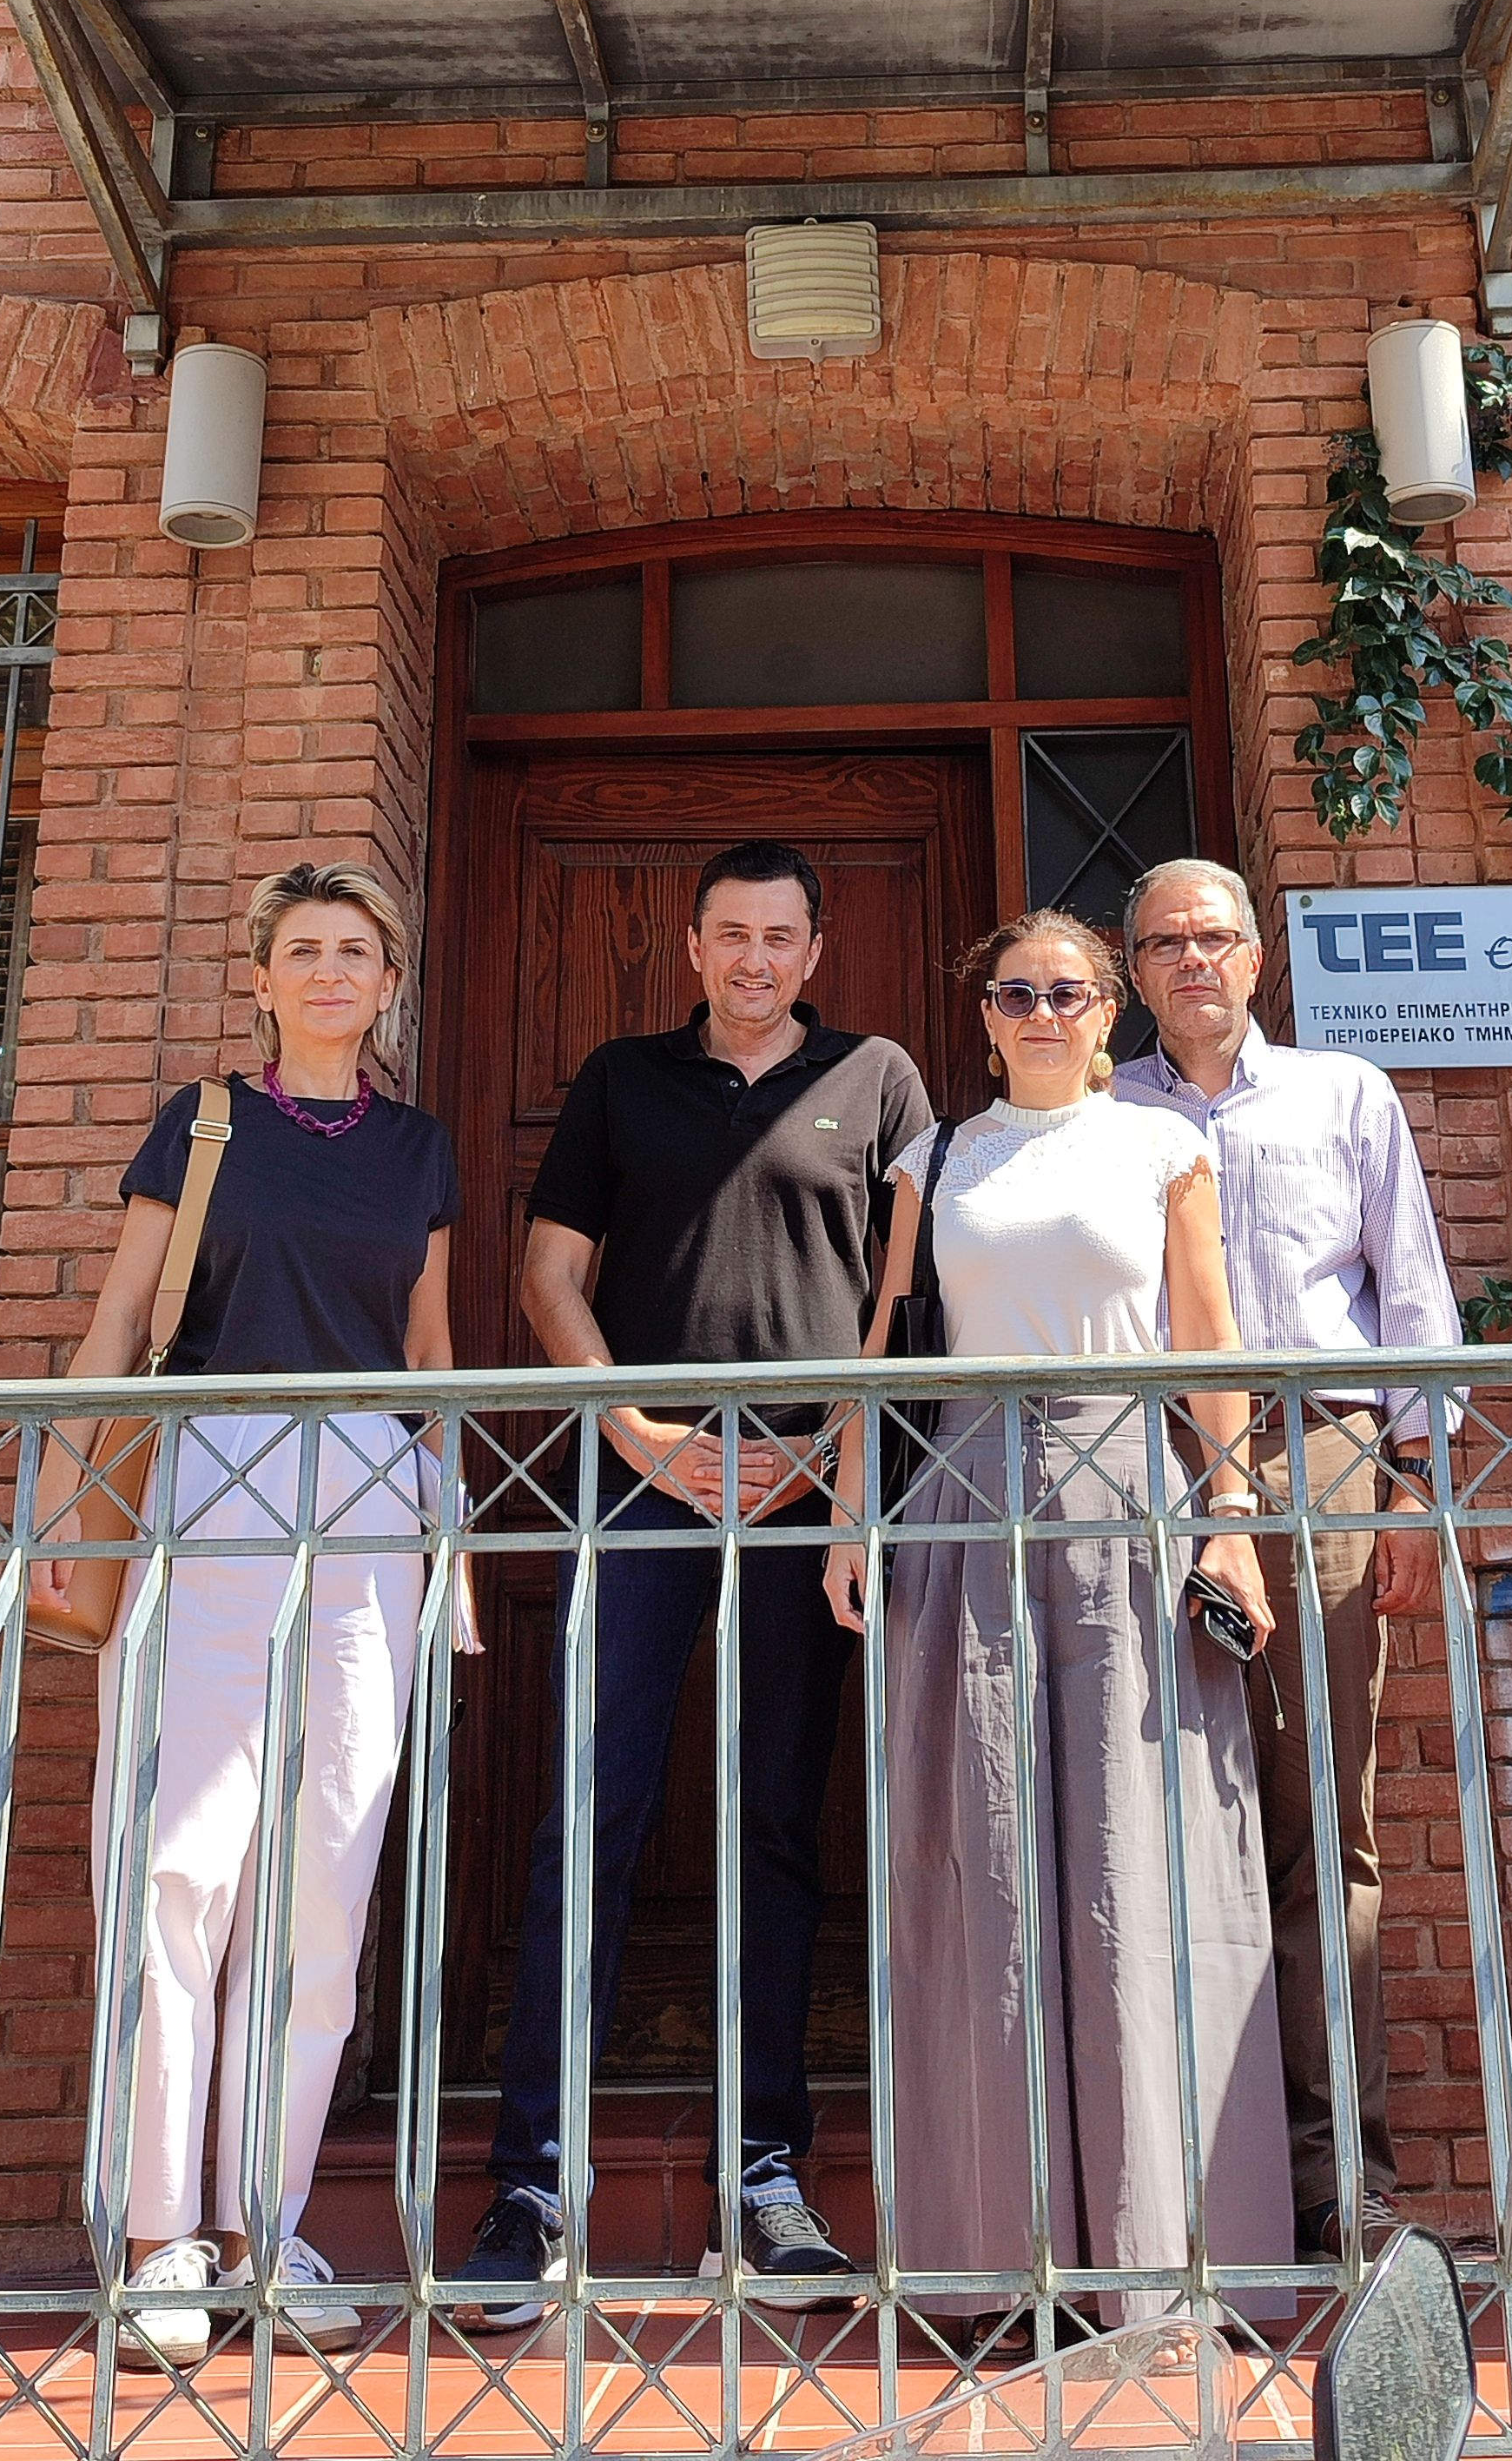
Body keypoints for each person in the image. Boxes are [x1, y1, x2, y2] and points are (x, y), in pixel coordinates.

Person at [467, 840, 932, 2318]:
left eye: (780, 936)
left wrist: (834, 1456)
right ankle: (533, 2187)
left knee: (778, 1824)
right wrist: (640, 1430)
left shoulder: (879, 1077)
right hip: (638, 1486)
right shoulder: (622, 1078)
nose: (754, 959)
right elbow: (549, 1276)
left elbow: (898, 1295)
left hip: (806, 1490)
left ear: (816, 949)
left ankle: (765, 2179)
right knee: (589, 1817)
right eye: (731, 934)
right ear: (691, 945)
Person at [824, 910, 1293, 2334]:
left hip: (1129, 1488)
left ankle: (1162, 2251)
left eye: (1069, 992)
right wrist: (850, 1512)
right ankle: (996, 2253)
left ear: (1108, 1014)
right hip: (966, 1495)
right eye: (1017, 992)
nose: (1043, 1012)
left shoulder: (1160, 1147)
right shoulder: (935, 1158)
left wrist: (1230, 1513)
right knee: (981, 1855)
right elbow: (887, 1343)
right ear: (985, 1016)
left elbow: (1207, 1335)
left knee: (1135, 1850)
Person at [42, 860, 457, 2369]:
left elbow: (429, 1354)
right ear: (264, 979)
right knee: (176, 1859)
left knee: (323, 1880)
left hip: (372, 1499)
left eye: (357, 950)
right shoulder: (205, 1121)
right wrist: (66, 1497)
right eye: (305, 949)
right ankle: (161, 2236)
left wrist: (453, 1537)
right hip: (206, 1477)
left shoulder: (418, 1148)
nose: (332, 970)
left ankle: (263, 2229)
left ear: (389, 983)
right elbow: (118, 1313)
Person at [1117, 858, 1460, 2263]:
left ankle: (1337, 2177)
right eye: (1166, 942)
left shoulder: (1345, 1094)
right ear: (1135, 970)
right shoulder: (1103, 1110)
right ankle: (1182, 2179)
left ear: (1258, 957)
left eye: (1215, 937)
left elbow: (1413, 1288)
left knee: (1323, 1811)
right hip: (1141, 1462)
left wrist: (1416, 1489)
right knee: (1154, 1816)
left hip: (1323, 1450)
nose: (1194, 959)